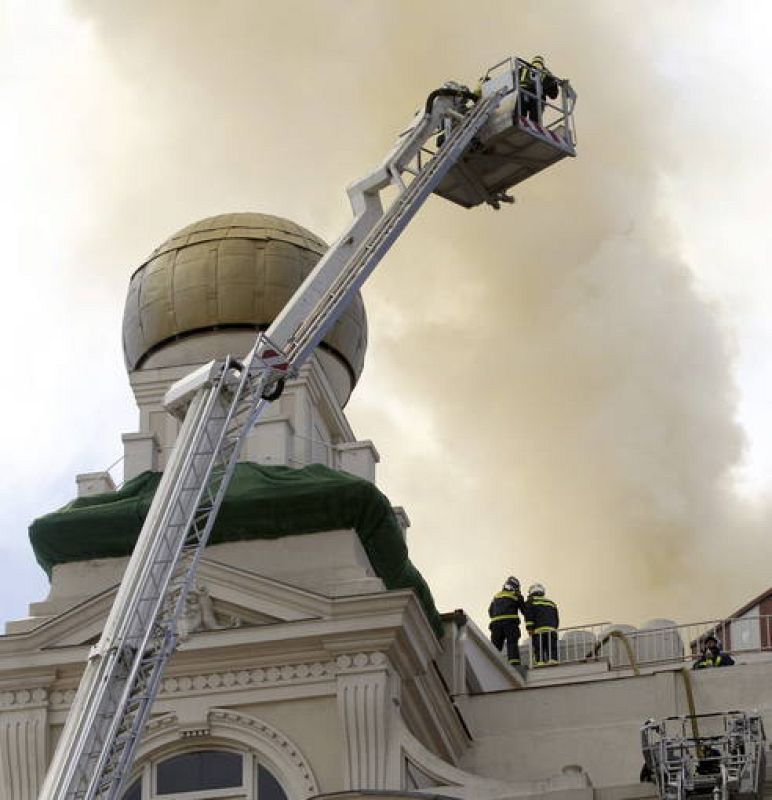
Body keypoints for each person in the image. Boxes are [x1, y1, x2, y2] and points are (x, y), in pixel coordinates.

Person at [488, 576, 525, 667]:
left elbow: (490, 610)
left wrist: (497, 618)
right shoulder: (515, 595)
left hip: (496, 624)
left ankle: (492, 664)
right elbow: (524, 610)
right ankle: (514, 663)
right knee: (512, 642)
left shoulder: (497, 596)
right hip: (510, 624)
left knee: (495, 646)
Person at [525, 583, 560, 665]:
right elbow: (556, 618)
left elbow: (529, 616)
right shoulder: (551, 602)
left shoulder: (531, 601)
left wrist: (529, 628)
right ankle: (553, 660)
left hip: (538, 630)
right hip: (551, 630)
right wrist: (554, 628)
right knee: (551, 646)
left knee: (539, 647)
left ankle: (540, 662)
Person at [518, 55, 559, 124]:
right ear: (543, 64)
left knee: (520, 115)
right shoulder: (546, 73)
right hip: (538, 98)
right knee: (535, 121)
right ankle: (534, 126)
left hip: (523, 93)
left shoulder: (523, 68)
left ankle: (519, 120)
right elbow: (553, 95)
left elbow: (511, 81)